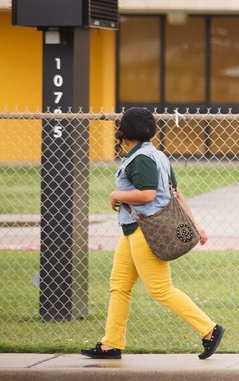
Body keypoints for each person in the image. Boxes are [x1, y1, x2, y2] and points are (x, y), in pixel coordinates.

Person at [81, 107, 225, 360]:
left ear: (124, 131)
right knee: (119, 286)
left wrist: (116, 195)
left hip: (146, 231)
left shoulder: (141, 159)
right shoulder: (157, 155)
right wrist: (196, 225)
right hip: (133, 231)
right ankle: (111, 344)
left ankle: (209, 330)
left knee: (160, 289)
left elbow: (147, 194)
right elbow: (175, 194)